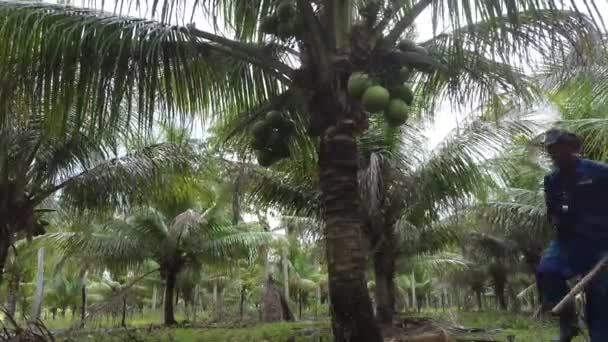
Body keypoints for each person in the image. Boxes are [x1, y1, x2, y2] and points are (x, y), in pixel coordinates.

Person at [537, 128, 608, 342]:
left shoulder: (599, 172)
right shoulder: (551, 180)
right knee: (546, 271)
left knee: (601, 296)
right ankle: (568, 324)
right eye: (550, 150)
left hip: (601, 244)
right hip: (568, 243)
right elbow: (552, 212)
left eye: (557, 148)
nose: (553, 154)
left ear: (572, 148)